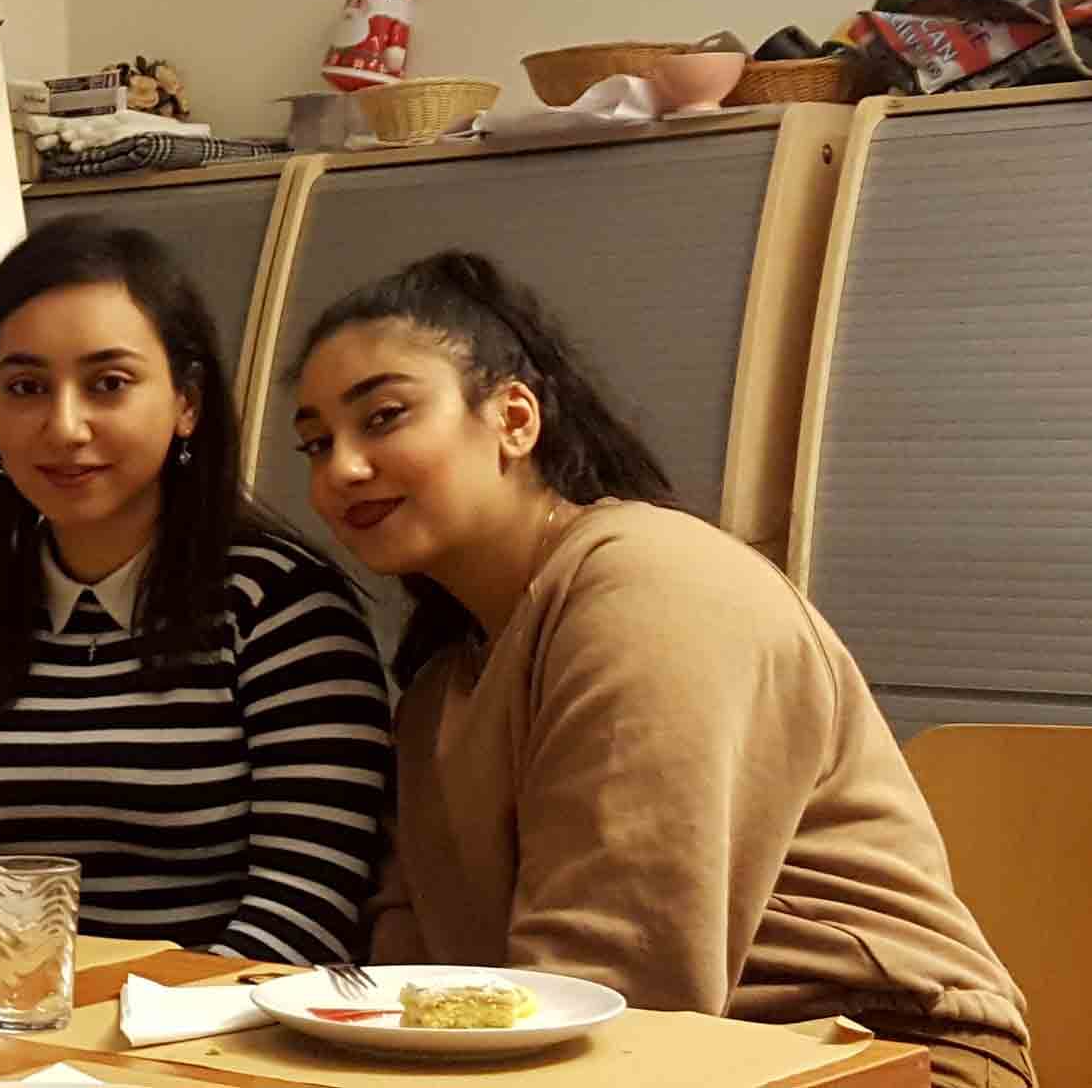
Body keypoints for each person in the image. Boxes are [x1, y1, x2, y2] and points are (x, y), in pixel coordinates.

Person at [287, 250, 1031, 1087]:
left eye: (382, 417)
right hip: (625, 1061)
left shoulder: (649, 585)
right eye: (315, 444)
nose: (341, 469)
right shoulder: (436, 687)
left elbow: (622, 979)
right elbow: (405, 969)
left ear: (514, 418)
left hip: (876, 1058)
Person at [0, 217, 391, 962]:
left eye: (109, 384)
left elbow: (307, 907)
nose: (65, 425)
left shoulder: (282, 610)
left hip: (215, 1048)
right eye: (26, 387)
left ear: (187, 402)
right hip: (5, 1041)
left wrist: (129, 1039)